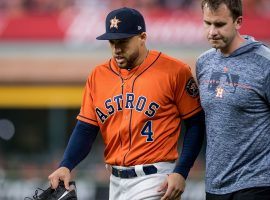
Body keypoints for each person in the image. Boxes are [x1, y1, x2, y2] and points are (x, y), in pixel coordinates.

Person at [49, 7, 205, 200]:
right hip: (115, 181)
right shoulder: (98, 75)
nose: (117, 49)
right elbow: (86, 128)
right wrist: (66, 165)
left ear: (142, 37)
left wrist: (181, 171)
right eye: (112, 42)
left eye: (123, 42)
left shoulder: (174, 71)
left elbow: (196, 123)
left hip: (156, 179)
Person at [196, 0, 270, 199]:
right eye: (207, 23)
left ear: (238, 22)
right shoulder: (204, 62)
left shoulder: (264, 63)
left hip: (257, 184)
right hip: (215, 185)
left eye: (219, 24)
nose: (212, 32)